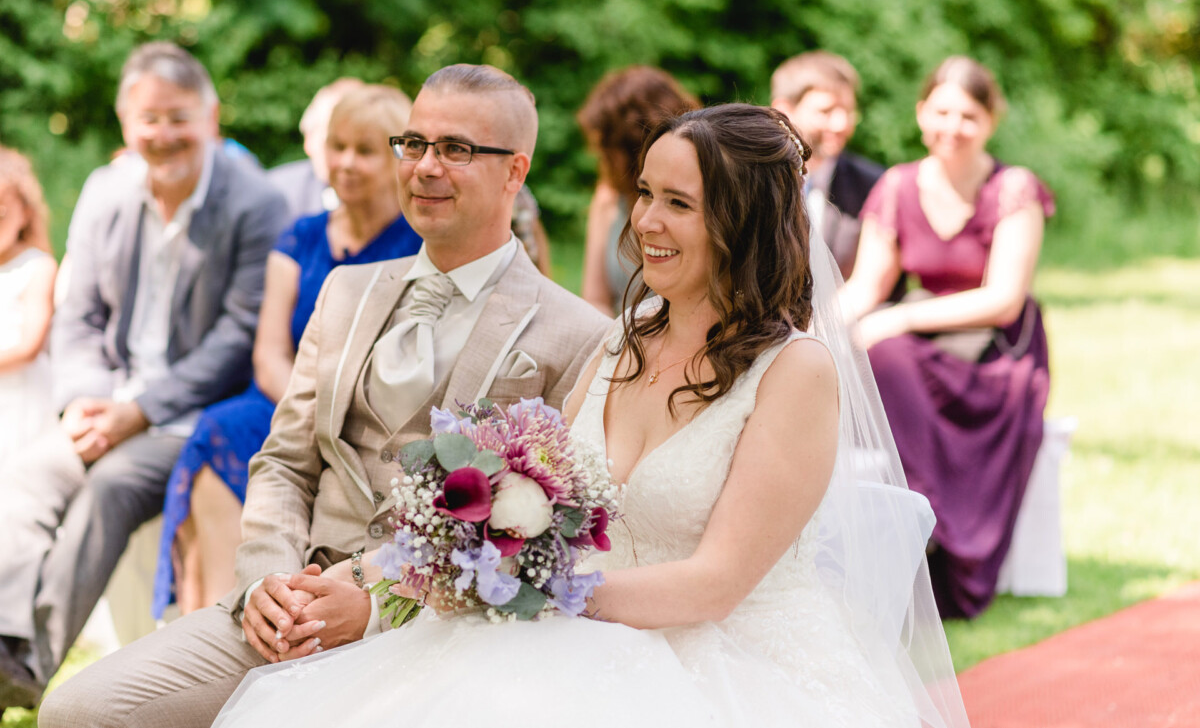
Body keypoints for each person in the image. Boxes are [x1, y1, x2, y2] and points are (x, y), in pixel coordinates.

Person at [205, 104, 970, 728]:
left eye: (679, 203)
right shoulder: (623, 340)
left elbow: (715, 584)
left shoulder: (795, 370)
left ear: (742, 223)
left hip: (724, 662)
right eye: (645, 193)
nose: (646, 222)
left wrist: (519, 587)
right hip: (579, 628)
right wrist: (378, 577)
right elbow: (512, 500)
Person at [38, 63, 611, 728]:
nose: (425, 166)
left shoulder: (578, 334)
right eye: (414, 143)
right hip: (288, 603)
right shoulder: (345, 292)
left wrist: (377, 602)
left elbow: (545, 538)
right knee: (77, 710)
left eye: (456, 149)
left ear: (515, 171)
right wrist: (267, 583)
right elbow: (284, 461)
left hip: (437, 632)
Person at [0, 42, 288, 715]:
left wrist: (141, 410)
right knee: (24, 477)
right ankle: (7, 641)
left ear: (211, 118)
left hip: (195, 416)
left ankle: (29, 666)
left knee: (110, 486)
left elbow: (237, 337)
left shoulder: (255, 202)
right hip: (105, 404)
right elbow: (78, 316)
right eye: (148, 119)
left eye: (178, 117)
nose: (163, 134)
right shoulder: (106, 192)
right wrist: (83, 400)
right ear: (127, 123)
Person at [152, 84, 423, 619]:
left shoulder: (417, 246)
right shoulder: (300, 237)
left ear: (398, 159)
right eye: (338, 147)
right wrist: (310, 412)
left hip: (370, 416)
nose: (346, 163)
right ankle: (217, 611)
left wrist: (337, 418)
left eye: (365, 151)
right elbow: (269, 354)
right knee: (220, 427)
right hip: (285, 401)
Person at [839, 56, 1055, 619]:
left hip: (997, 356)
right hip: (927, 351)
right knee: (883, 357)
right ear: (920, 113)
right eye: (941, 112)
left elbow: (1004, 298)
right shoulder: (897, 185)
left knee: (889, 344)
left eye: (968, 116)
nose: (952, 127)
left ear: (990, 121)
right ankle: (923, 517)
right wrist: (804, 330)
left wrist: (900, 319)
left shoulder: (1012, 188)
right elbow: (866, 287)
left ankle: (952, 547)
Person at [577, 66, 700, 315]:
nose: (601, 160)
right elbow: (595, 300)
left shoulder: (698, 193)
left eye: (607, 150)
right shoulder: (608, 200)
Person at [770, 50, 885, 280]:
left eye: (848, 111)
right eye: (826, 111)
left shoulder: (873, 184)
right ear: (784, 110)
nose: (841, 124)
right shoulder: (750, 178)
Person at [0, 145, 57, 469]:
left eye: (1, 213)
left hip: (20, 402)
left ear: (24, 211)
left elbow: (29, 345)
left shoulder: (37, 266)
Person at [268, 77, 365, 218]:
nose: (348, 161)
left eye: (364, 149)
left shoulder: (395, 198)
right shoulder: (276, 191)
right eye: (337, 145)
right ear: (309, 140)